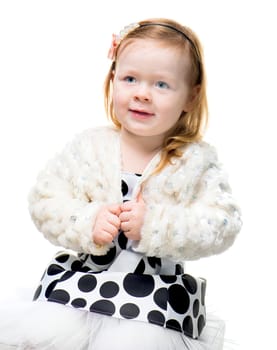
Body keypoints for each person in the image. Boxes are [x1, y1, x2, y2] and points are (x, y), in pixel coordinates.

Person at [0, 18, 242, 350]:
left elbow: (222, 223)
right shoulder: (89, 147)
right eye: (130, 79)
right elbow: (45, 199)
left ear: (191, 96)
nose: (142, 94)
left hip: (153, 301)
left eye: (161, 85)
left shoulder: (195, 162)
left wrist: (156, 226)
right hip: (82, 289)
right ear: (112, 80)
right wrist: (87, 221)